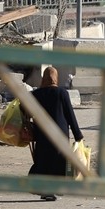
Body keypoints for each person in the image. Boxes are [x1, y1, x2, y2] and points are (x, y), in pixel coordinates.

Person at [26, 66, 84, 201]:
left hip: (42, 134)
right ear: (56, 78)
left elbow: (23, 108)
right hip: (60, 135)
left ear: (43, 78)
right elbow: (70, 115)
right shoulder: (62, 93)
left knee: (43, 161)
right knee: (58, 162)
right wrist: (78, 135)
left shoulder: (36, 94)